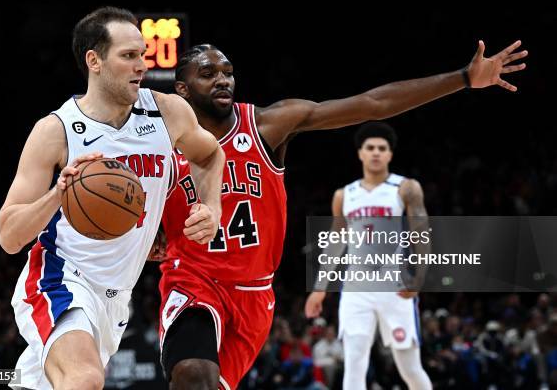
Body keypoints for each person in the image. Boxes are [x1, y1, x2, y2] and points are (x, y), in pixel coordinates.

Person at [155, 40, 527, 390]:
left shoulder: (267, 125)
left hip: (254, 294)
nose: (222, 79)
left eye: (227, 71)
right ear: (182, 91)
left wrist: (463, 78)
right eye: (207, 74)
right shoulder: (161, 145)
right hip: (192, 280)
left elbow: (373, 104)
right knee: (192, 376)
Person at [0, 7, 224, 390]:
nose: (141, 65)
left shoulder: (167, 112)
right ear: (94, 61)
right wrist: (58, 194)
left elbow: (210, 153)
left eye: (143, 55)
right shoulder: (56, 131)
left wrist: (211, 206)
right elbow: (9, 236)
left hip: (117, 296)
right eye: (129, 56)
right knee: (85, 379)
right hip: (60, 280)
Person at [305, 122, 432, 389]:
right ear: (360, 153)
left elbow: (422, 232)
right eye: (370, 148)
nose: (376, 152)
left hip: (395, 287)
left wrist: (420, 276)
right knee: (354, 365)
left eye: (382, 148)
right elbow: (336, 242)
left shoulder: (406, 188)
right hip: (355, 288)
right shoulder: (344, 195)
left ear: (390, 155)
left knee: (409, 368)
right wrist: (319, 288)